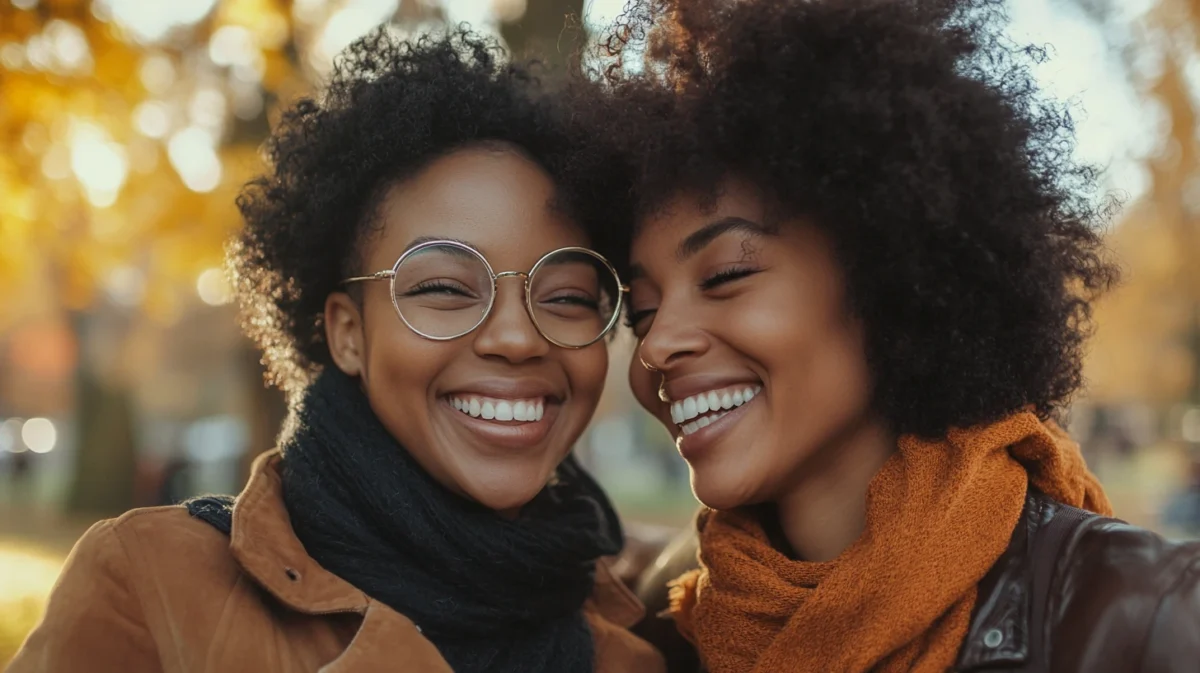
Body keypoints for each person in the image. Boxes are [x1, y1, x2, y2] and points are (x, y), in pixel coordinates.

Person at [10, 28, 664, 673]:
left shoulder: (637, 648)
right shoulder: (152, 586)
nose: (519, 338)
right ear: (348, 332)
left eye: (568, 296)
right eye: (443, 287)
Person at [577, 0, 1200, 671]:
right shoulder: (667, 626)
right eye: (641, 311)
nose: (656, 345)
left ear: (888, 273)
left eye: (726, 275)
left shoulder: (1141, 616)